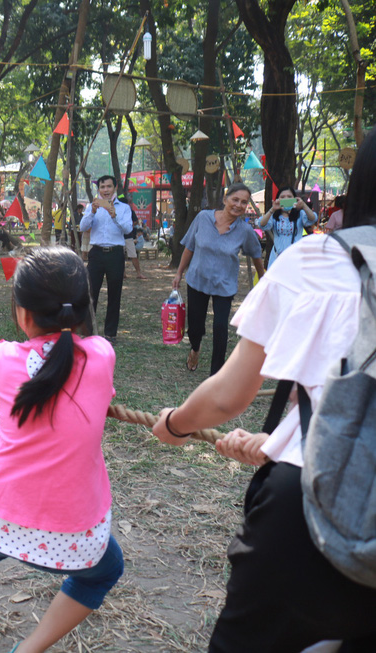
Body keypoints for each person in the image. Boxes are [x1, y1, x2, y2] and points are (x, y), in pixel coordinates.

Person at [152, 127, 376, 652]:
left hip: (312, 505)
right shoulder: (217, 224)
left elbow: (230, 395)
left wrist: (175, 424)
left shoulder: (320, 258)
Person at [0, 247, 123, 653]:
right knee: (107, 569)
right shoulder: (103, 357)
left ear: (22, 314)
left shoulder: (3, 360)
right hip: (76, 531)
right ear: (84, 308)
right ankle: (31, 648)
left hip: (0, 514)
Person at [173, 183, 266, 375]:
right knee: (195, 327)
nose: (239, 205)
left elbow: (256, 254)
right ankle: (195, 348)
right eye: (235, 199)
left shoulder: (245, 231)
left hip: (224, 285)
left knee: (220, 327)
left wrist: (263, 282)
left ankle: (216, 374)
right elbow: (189, 246)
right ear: (225, 200)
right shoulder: (203, 218)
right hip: (198, 280)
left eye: (244, 202)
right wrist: (179, 272)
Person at [79, 176, 132, 338]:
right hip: (96, 253)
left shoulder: (123, 208)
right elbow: (82, 227)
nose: (106, 190)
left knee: (114, 295)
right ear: (99, 189)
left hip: (115, 254)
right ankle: (88, 332)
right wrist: (92, 212)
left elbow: (128, 229)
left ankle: (110, 334)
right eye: (102, 187)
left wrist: (115, 216)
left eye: (109, 186)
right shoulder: (92, 206)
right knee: (90, 293)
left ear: (115, 188)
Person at [258, 185, 317, 267]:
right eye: (282, 197)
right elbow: (262, 223)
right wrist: (272, 209)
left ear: (294, 198)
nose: (286, 198)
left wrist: (303, 205)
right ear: (278, 199)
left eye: (289, 196)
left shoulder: (300, 214)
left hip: (296, 258)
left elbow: (312, 219)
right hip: (277, 257)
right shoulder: (274, 216)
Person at [121, 199, 147, 280]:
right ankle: (123, 273)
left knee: (133, 255)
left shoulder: (130, 211)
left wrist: (130, 225)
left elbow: (135, 221)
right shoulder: (117, 210)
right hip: (120, 237)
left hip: (128, 236)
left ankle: (138, 273)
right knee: (120, 256)